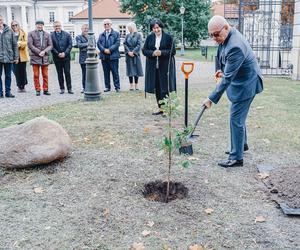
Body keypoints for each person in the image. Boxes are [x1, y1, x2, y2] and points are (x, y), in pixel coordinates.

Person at [202, 15, 263, 168]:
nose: (215, 38)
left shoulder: (235, 45)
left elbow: (227, 78)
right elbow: (220, 54)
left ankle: (237, 158)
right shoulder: (225, 37)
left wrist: (210, 99)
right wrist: (218, 69)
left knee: (235, 118)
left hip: (247, 84)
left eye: (216, 34)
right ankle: (242, 145)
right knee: (238, 117)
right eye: (211, 35)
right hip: (241, 80)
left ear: (227, 27)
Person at [142, 19, 176, 115]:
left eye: (157, 27)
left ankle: (167, 108)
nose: (156, 30)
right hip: (153, 67)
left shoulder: (168, 37)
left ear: (161, 27)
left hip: (165, 66)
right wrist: (152, 53)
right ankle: (160, 108)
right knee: (157, 87)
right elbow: (144, 50)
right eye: (154, 28)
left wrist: (161, 52)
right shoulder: (149, 38)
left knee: (165, 87)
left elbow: (172, 51)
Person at [27, 20, 53, 96]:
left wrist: (44, 51)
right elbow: (30, 45)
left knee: (45, 75)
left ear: (43, 25)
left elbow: (50, 45)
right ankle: (37, 89)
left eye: (41, 24)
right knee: (36, 75)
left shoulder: (47, 34)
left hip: (44, 57)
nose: (39, 26)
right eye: (38, 24)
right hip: (35, 57)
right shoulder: (31, 33)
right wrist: (39, 52)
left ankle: (46, 89)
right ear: (36, 25)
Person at [97, 19, 121, 92]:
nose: (106, 25)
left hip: (113, 56)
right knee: (106, 73)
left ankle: (117, 87)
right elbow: (98, 44)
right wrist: (104, 50)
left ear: (111, 25)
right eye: (105, 24)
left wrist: (109, 50)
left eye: (108, 24)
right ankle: (107, 87)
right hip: (104, 57)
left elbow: (117, 43)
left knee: (115, 72)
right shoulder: (101, 35)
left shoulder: (116, 34)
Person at [51, 21, 73, 94]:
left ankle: (69, 88)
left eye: (58, 26)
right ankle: (62, 88)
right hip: (57, 58)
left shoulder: (67, 34)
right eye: (56, 26)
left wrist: (65, 53)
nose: (57, 27)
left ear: (61, 26)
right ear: (54, 27)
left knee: (67, 72)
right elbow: (51, 46)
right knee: (59, 73)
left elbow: (70, 45)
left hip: (66, 57)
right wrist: (58, 53)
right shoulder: (51, 36)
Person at [0, 15, 18, 98]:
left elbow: (14, 45)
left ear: (2, 20)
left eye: (0, 20)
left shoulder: (9, 31)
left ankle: (8, 92)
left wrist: (16, 57)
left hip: (9, 57)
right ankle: (0, 92)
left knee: (8, 76)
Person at [124, 22, 143, 91]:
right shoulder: (127, 36)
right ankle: (131, 85)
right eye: (128, 28)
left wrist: (134, 52)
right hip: (128, 55)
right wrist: (128, 52)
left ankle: (136, 84)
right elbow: (125, 44)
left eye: (130, 28)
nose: (129, 29)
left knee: (136, 69)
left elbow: (139, 44)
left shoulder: (138, 35)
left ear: (133, 27)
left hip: (136, 55)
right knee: (130, 70)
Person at [11, 20, 29, 93]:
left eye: (16, 25)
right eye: (13, 25)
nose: (15, 26)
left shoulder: (23, 33)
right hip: (13, 56)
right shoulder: (10, 34)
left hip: (22, 54)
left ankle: (23, 86)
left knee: (22, 71)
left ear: (18, 25)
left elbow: (26, 42)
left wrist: (20, 44)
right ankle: (19, 86)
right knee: (16, 71)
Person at [75, 24, 89, 93]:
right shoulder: (78, 37)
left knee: (92, 73)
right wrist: (88, 44)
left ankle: (91, 87)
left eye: (87, 28)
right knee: (84, 74)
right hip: (83, 59)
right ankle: (84, 88)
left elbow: (94, 45)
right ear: (81, 29)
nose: (86, 30)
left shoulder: (91, 36)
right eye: (84, 28)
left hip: (91, 58)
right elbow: (79, 45)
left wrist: (85, 45)